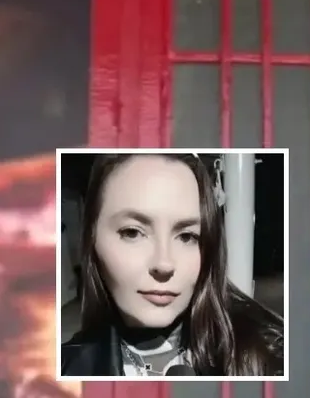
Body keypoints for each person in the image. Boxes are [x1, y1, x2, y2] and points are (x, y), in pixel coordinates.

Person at [60, 154, 284, 377]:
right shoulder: (62, 371)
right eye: (133, 232)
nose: (164, 264)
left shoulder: (270, 355)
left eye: (186, 236)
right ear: (92, 239)